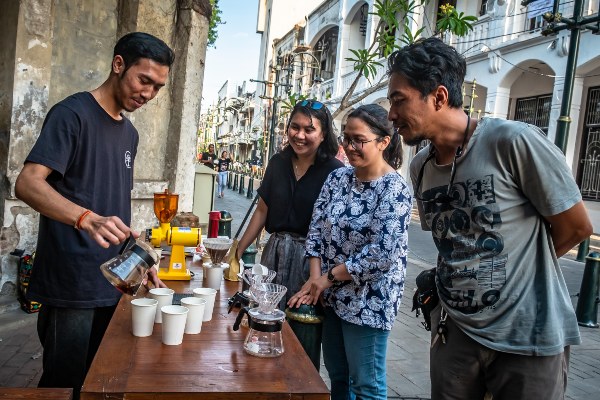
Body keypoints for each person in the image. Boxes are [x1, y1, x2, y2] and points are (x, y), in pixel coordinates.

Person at [387, 37, 593, 400]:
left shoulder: (513, 142)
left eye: (398, 100)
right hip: (455, 336)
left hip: (527, 339)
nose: (391, 114)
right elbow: (453, 246)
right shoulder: (420, 167)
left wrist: (515, 273)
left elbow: (576, 227)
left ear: (437, 96)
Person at [14, 32, 174, 399]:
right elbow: (27, 183)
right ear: (119, 65)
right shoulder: (72, 114)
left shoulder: (129, 134)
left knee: (103, 379)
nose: (148, 94)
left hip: (113, 282)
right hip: (71, 284)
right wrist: (85, 218)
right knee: (63, 383)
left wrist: (139, 258)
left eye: (157, 87)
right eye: (143, 80)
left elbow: (114, 203)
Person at [288, 104, 412, 400]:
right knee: (338, 377)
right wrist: (315, 283)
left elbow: (381, 255)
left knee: (366, 384)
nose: (350, 146)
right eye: (346, 138)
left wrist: (325, 279)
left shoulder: (394, 190)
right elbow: (316, 230)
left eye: (360, 140)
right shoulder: (338, 178)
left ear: (383, 142)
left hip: (369, 302)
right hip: (331, 296)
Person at [236, 99, 343, 369]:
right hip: (274, 253)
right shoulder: (278, 162)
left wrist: (317, 277)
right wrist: (236, 252)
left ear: (323, 133)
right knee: (265, 322)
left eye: (309, 129)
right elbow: (262, 211)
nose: (300, 135)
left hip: (311, 261)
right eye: (294, 127)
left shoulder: (335, 172)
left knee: (302, 328)